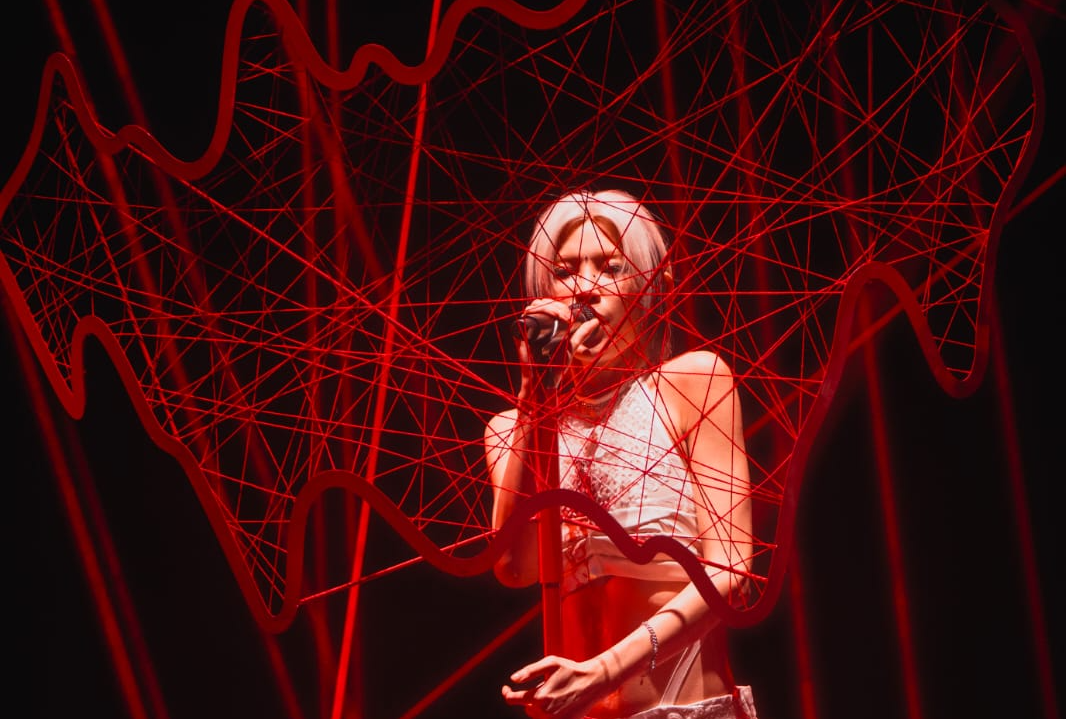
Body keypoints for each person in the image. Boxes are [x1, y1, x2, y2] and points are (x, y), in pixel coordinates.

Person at [484, 188, 757, 719]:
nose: (585, 287)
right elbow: (514, 567)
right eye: (564, 272)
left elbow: (732, 572)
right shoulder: (512, 428)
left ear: (651, 285)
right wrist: (535, 395)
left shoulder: (692, 382)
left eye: (610, 268)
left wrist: (603, 672)